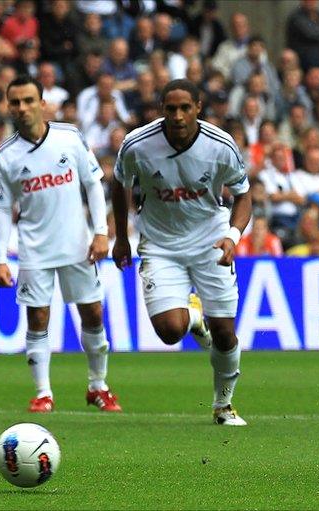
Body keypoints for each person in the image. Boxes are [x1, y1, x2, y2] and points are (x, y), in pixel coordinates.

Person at [111, 79, 251, 426]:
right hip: (160, 245)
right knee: (170, 331)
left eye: (185, 107)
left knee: (224, 333)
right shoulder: (137, 145)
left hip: (211, 241)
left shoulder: (220, 145)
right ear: (161, 110)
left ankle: (223, 405)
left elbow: (244, 195)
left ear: (198, 108)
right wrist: (121, 237)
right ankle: (192, 317)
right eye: (170, 108)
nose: (177, 115)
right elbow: (120, 184)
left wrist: (233, 236)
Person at [0, 75, 121, 413]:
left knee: (92, 312)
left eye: (28, 100)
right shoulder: (6, 155)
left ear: (42, 103)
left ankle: (98, 386)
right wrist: (1, 258)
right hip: (34, 248)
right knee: (38, 317)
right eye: (15, 102)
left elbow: (93, 184)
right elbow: (3, 209)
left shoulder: (69, 137)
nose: (22, 108)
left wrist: (101, 232)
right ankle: (44, 392)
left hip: (78, 244)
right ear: (9, 107)